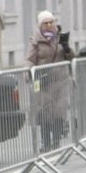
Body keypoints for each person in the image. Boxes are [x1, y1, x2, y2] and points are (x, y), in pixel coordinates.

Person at [26, 10, 73, 152]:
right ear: (40, 25)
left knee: (59, 111)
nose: (49, 25)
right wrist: (29, 72)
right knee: (44, 114)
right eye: (45, 23)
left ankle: (56, 140)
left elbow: (71, 58)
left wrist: (66, 48)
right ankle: (45, 142)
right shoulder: (35, 40)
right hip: (43, 82)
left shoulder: (61, 38)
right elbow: (29, 59)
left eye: (51, 22)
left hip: (61, 81)